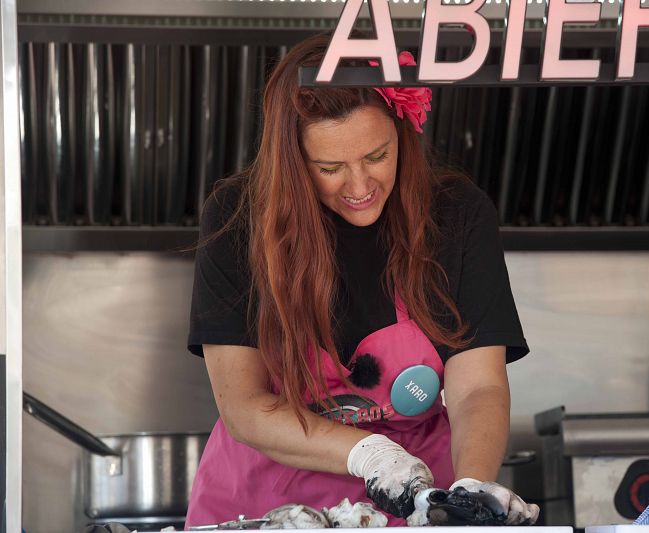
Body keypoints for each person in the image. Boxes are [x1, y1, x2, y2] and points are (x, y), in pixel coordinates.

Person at [185, 32, 539, 528]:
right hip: (266, 504)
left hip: (416, 504)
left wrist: (470, 490)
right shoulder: (239, 218)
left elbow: (477, 387)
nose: (359, 186)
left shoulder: (455, 216)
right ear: (293, 162)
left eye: (377, 156)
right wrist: (370, 453)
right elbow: (243, 406)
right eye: (330, 167)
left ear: (403, 132)